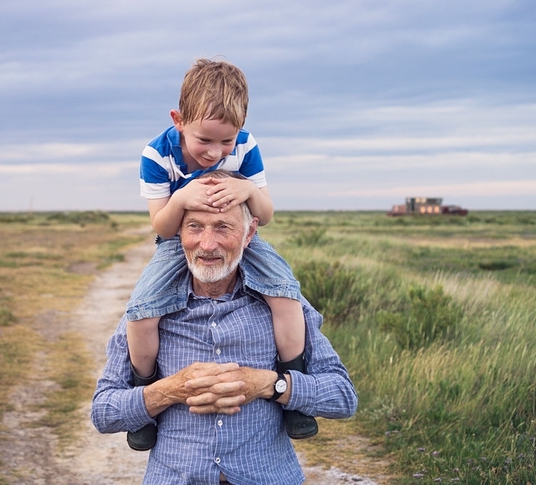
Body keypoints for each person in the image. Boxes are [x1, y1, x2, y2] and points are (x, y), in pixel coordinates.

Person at [92, 175, 358, 484]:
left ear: (249, 233)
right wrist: (169, 390)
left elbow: (342, 396)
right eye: (195, 227)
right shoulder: (147, 310)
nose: (207, 244)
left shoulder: (285, 305)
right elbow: (104, 412)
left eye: (223, 227)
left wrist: (270, 385)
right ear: (178, 233)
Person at [125, 58, 314, 451]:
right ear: (179, 120)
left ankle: (294, 388)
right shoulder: (157, 155)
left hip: (243, 235)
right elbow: (160, 225)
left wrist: (248, 192)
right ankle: (145, 398)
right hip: (178, 240)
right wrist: (182, 198)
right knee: (142, 309)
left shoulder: (247, 145)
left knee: (286, 293)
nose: (216, 152)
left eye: (226, 141)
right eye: (204, 140)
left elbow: (267, 214)